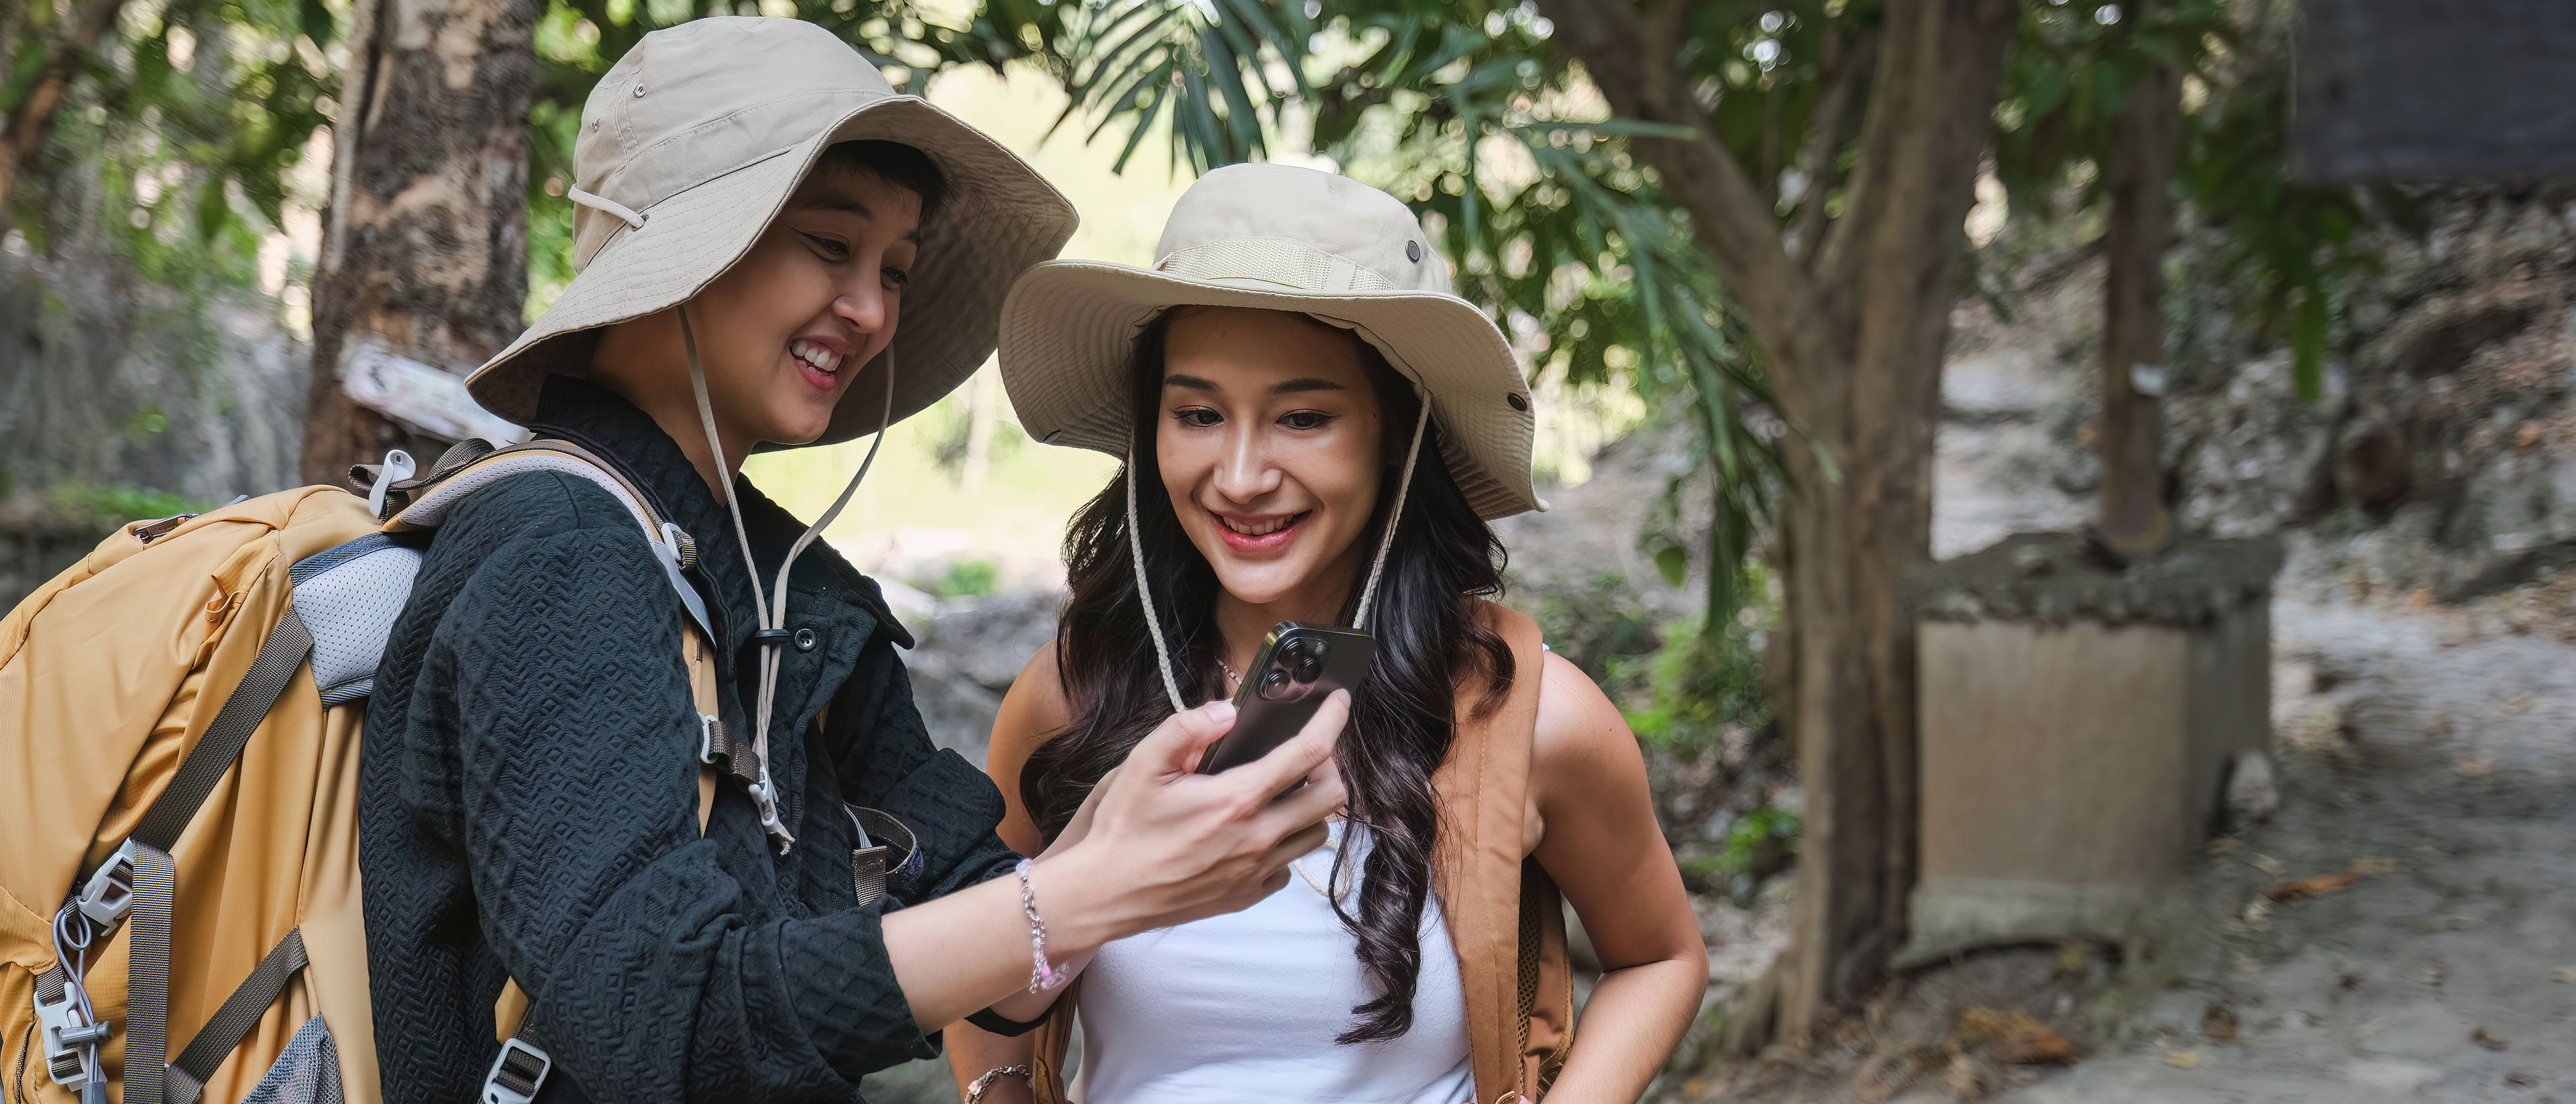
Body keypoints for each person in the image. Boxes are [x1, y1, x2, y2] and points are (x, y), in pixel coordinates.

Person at [360, 20, 1348, 1103]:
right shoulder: (558, 559)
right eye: (831, 247)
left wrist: (1113, 852)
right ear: (688, 243)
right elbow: (656, 1026)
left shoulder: (794, 587)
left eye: (896, 268)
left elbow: (993, 952)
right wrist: (1075, 896)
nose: (873, 310)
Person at [950, 163, 1708, 1103]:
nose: (1239, 474)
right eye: (1197, 413)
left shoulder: (1528, 714)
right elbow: (977, 949)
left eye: (1302, 416)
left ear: (1395, 429)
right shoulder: (1075, 692)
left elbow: (1660, 956)